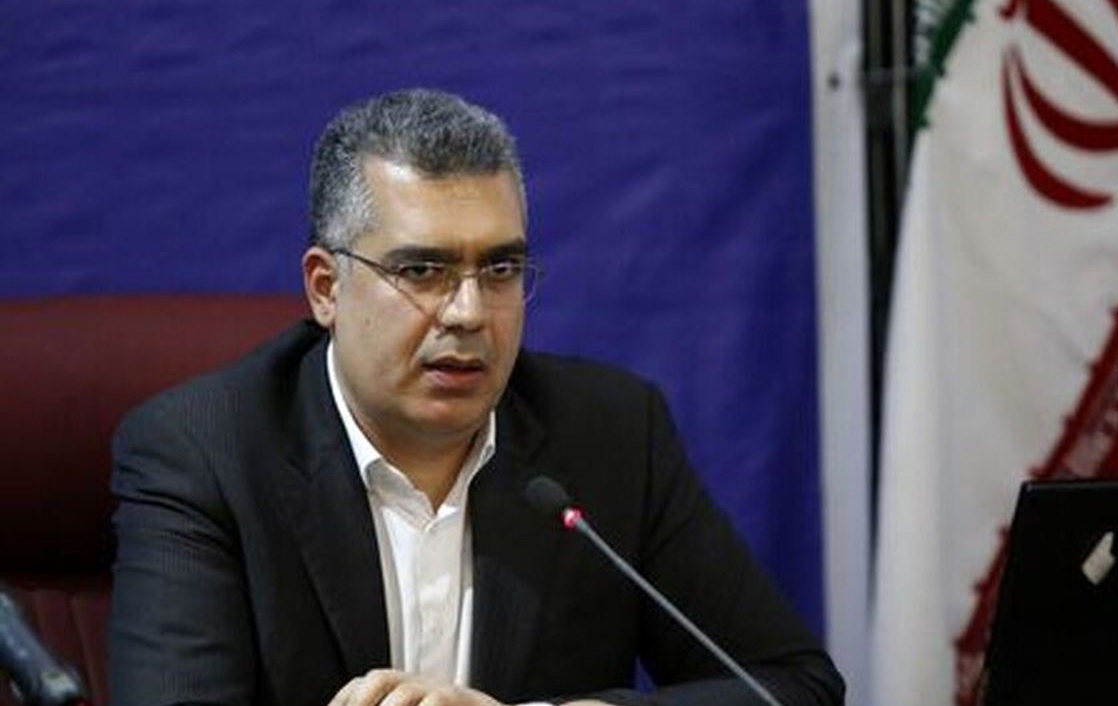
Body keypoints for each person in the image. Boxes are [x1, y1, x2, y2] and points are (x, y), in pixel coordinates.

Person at [108, 88, 844, 706]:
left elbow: (793, 686)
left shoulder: (612, 435)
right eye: (421, 271)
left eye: (500, 270)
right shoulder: (205, 454)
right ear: (326, 288)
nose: (468, 313)